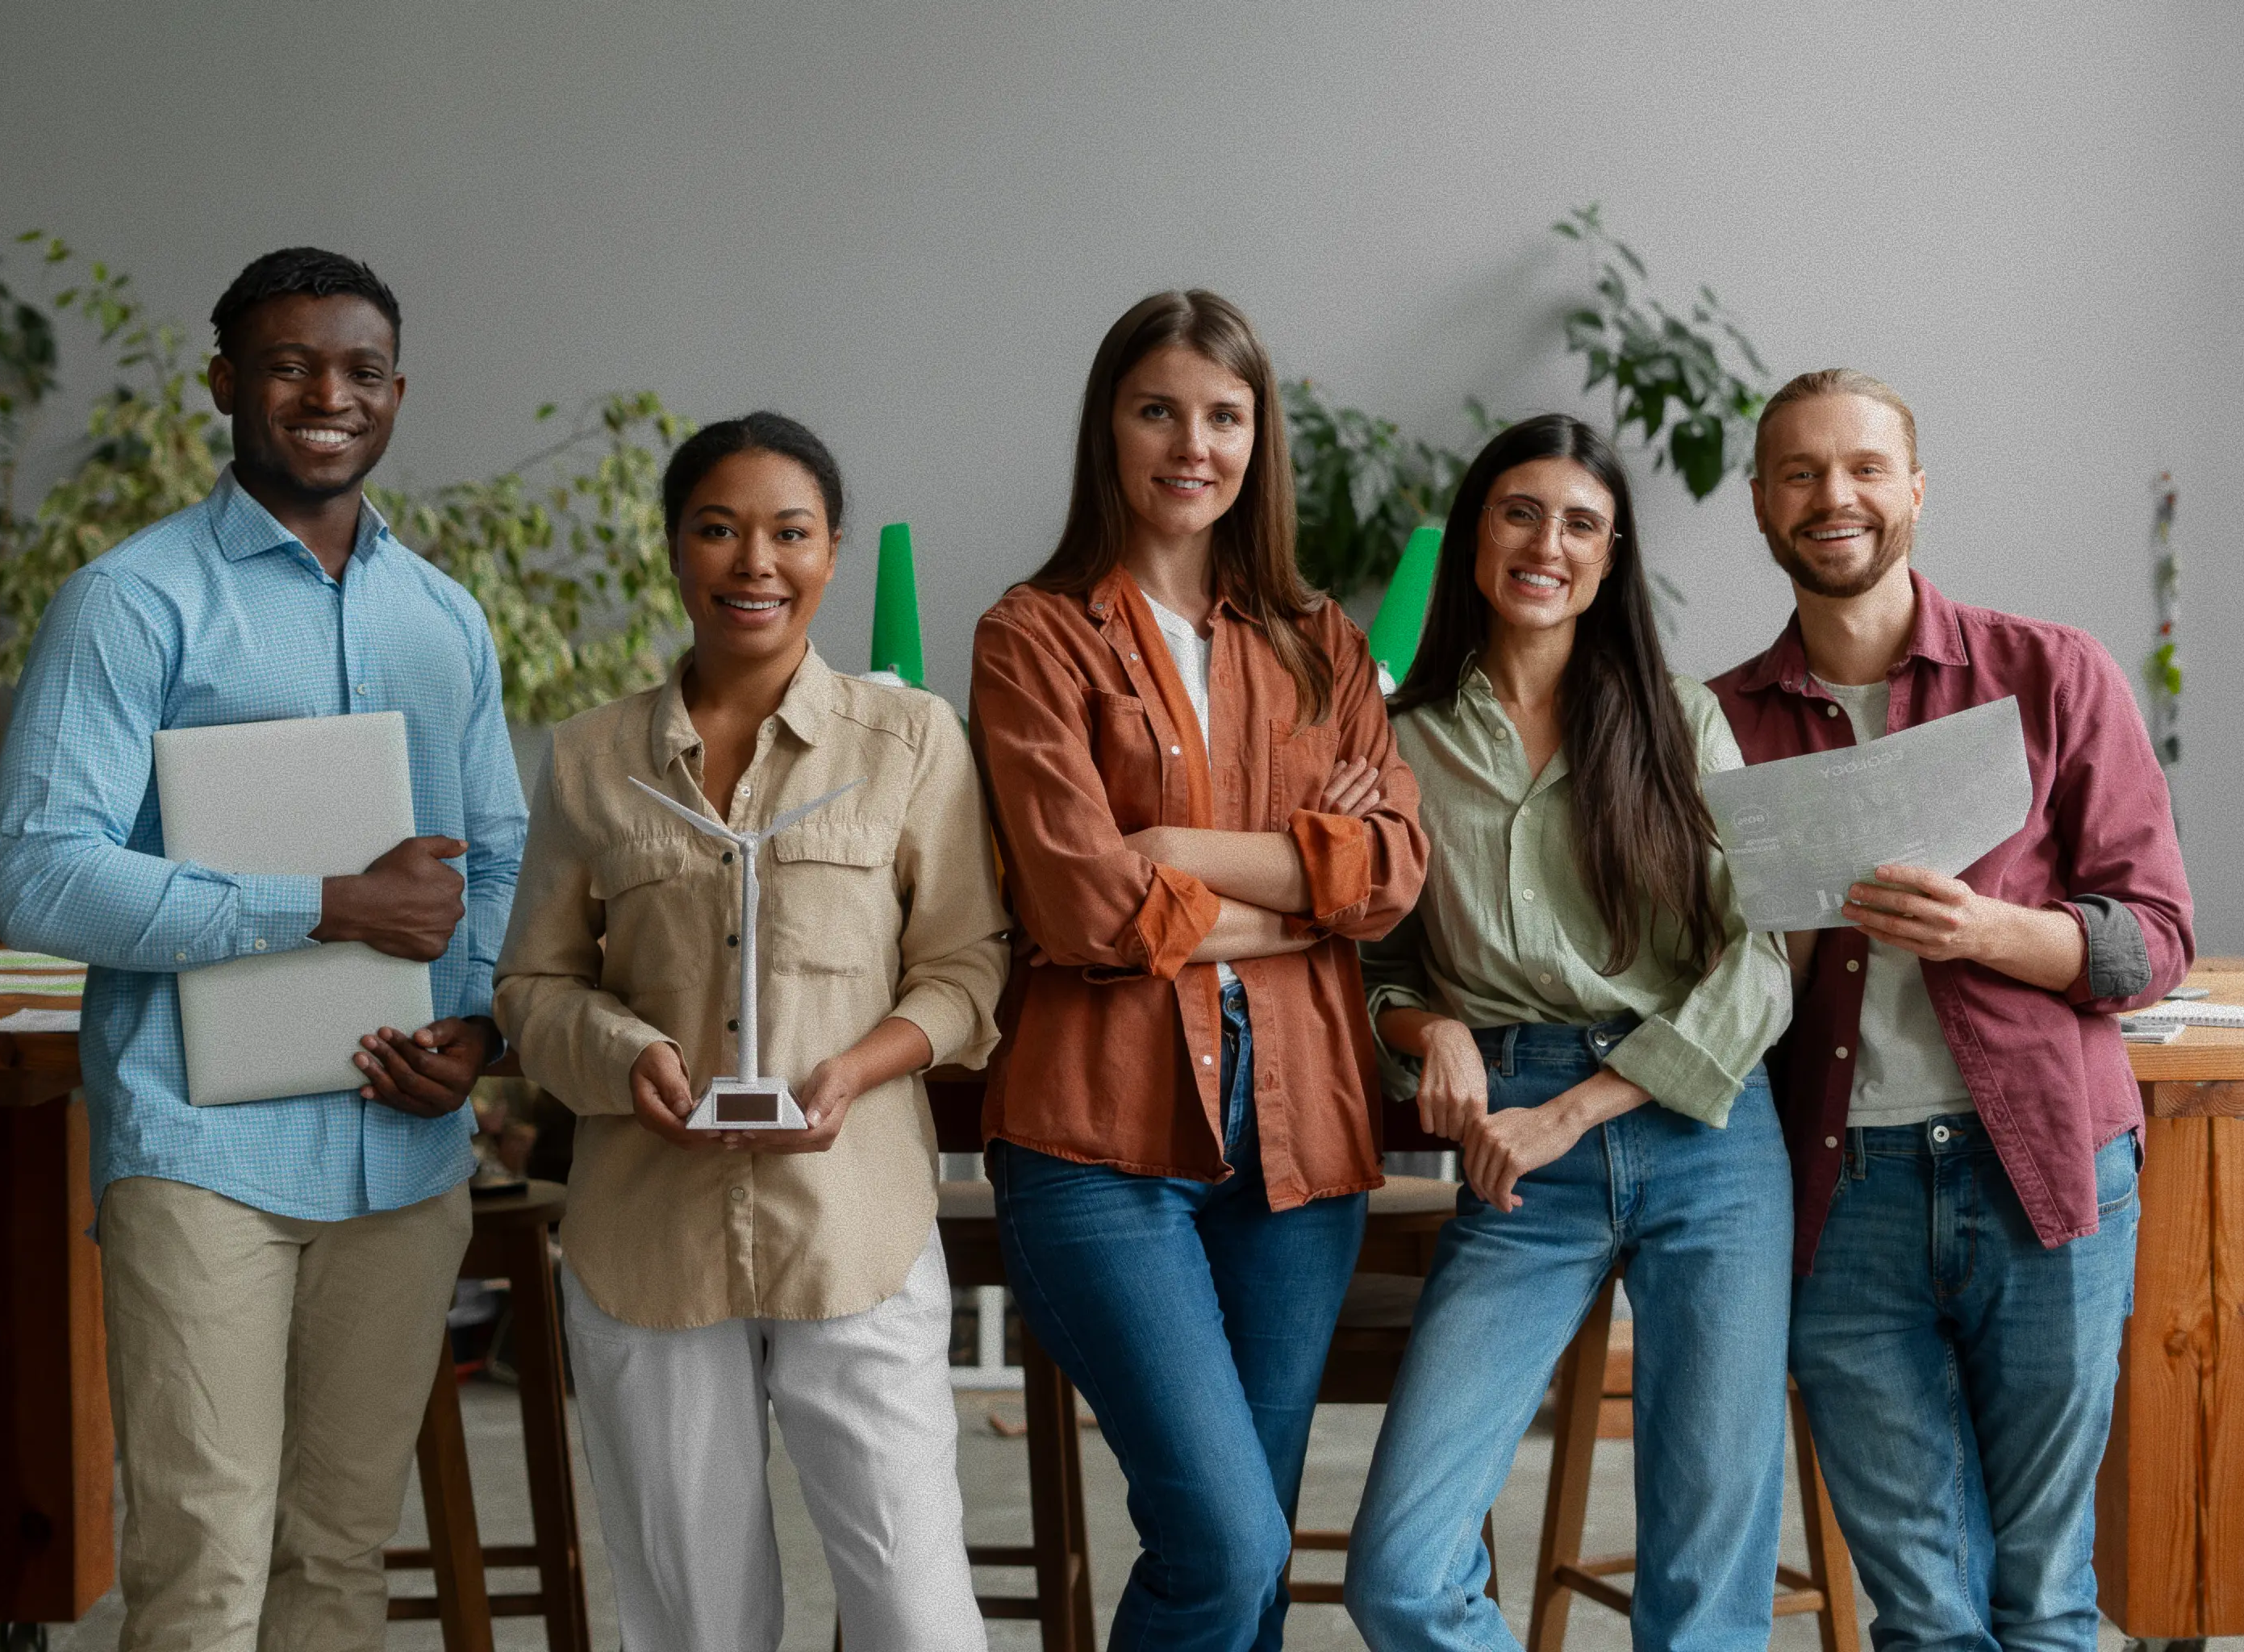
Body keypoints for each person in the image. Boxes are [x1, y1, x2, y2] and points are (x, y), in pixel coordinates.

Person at [0, 248, 526, 1650]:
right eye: (289, 366)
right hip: (204, 1159)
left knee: (340, 1558)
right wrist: (326, 903)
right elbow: (40, 877)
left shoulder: (443, 615)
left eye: (358, 371)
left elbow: (500, 853)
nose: (325, 397)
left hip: (401, 1155)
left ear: (398, 394)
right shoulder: (134, 601)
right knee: (207, 1561)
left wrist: (475, 1033)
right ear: (226, 383)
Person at [494, 412, 1008, 1651]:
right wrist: (627, 1057)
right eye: (719, 530)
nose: (754, 562)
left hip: (857, 1229)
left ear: (832, 552)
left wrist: (858, 1068)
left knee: (914, 1604)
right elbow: (533, 989)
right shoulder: (589, 761)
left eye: (790, 532)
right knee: (689, 1617)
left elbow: (968, 972)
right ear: (675, 551)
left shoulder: (914, 742)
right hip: (647, 1240)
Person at [968, 289, 1427, 1651]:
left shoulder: (1318, 641)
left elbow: (1392, 869)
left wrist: (1175, 846)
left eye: (1224, 416)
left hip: (1297, 1144)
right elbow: (1084, 904)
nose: (1192, 443)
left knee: (1257, 1555)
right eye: (1158, 409)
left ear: (1257, 439)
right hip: (1098, 1145)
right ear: (1108, 427)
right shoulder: (1033, 636)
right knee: (1226, 1542)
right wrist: (1297, 900)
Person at [1709, 369, 2192, 1650]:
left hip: (2045, 1171)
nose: (1835, 496)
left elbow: (2158, 937)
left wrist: (1994, 933)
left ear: (1915, 490)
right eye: (1801, 472)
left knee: (2046, 1598)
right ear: (1760, 502)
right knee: (1920, 1611)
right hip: (1838, 1194)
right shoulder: (1716, 724)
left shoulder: (2051, 675)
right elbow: (1694, 977)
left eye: (1865, 467)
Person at [1344, 414, 1796, 1650]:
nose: (1548, 544)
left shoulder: (1680, 721)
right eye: (1519, 512)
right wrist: (1429, 1028)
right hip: (1511, 1157)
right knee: (1397, 1576)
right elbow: (1373, 962)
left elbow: (1759, 954)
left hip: (1703, 1132)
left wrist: (1581, 1107)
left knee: (1704, 1599)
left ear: (1610, 560)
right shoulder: (1397, 742)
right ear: (1474, 536)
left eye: (1581, 524)